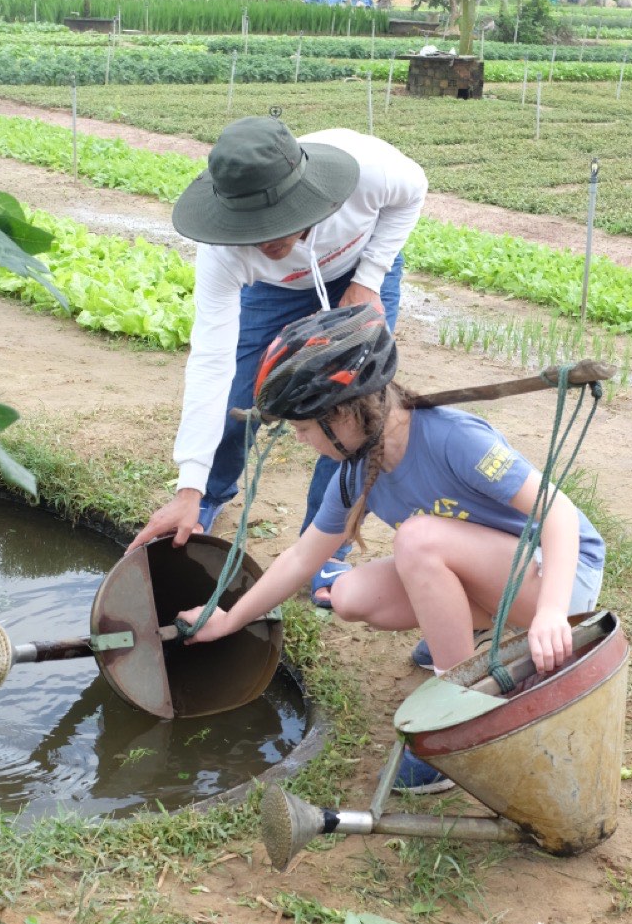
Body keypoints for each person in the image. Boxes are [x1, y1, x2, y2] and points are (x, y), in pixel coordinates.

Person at [175, 305, 606, 794]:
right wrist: (229, 619)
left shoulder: (452, 438)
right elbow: (302, 558)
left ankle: (458, 724)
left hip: (559, 579)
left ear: (341, 412)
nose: (299, 439)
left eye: (303, 428)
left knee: (418, 539)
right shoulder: (359, 469)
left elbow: (559, 512)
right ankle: (473, 632)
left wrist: (551, 612)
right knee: (348, 594)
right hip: (497, 579)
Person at [128, 116, 428, 606]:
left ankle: (324, 545)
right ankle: (208, 497)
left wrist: (370, 277)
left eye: (276, 226)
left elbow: (413, 193)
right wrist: (188, 487)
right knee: (239, 392)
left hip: (361, 268)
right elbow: (210, 361)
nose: (265, 242)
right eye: (251, 230)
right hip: (276, 291)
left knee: (351, 414)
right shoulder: (223, 254)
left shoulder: (370, 171)